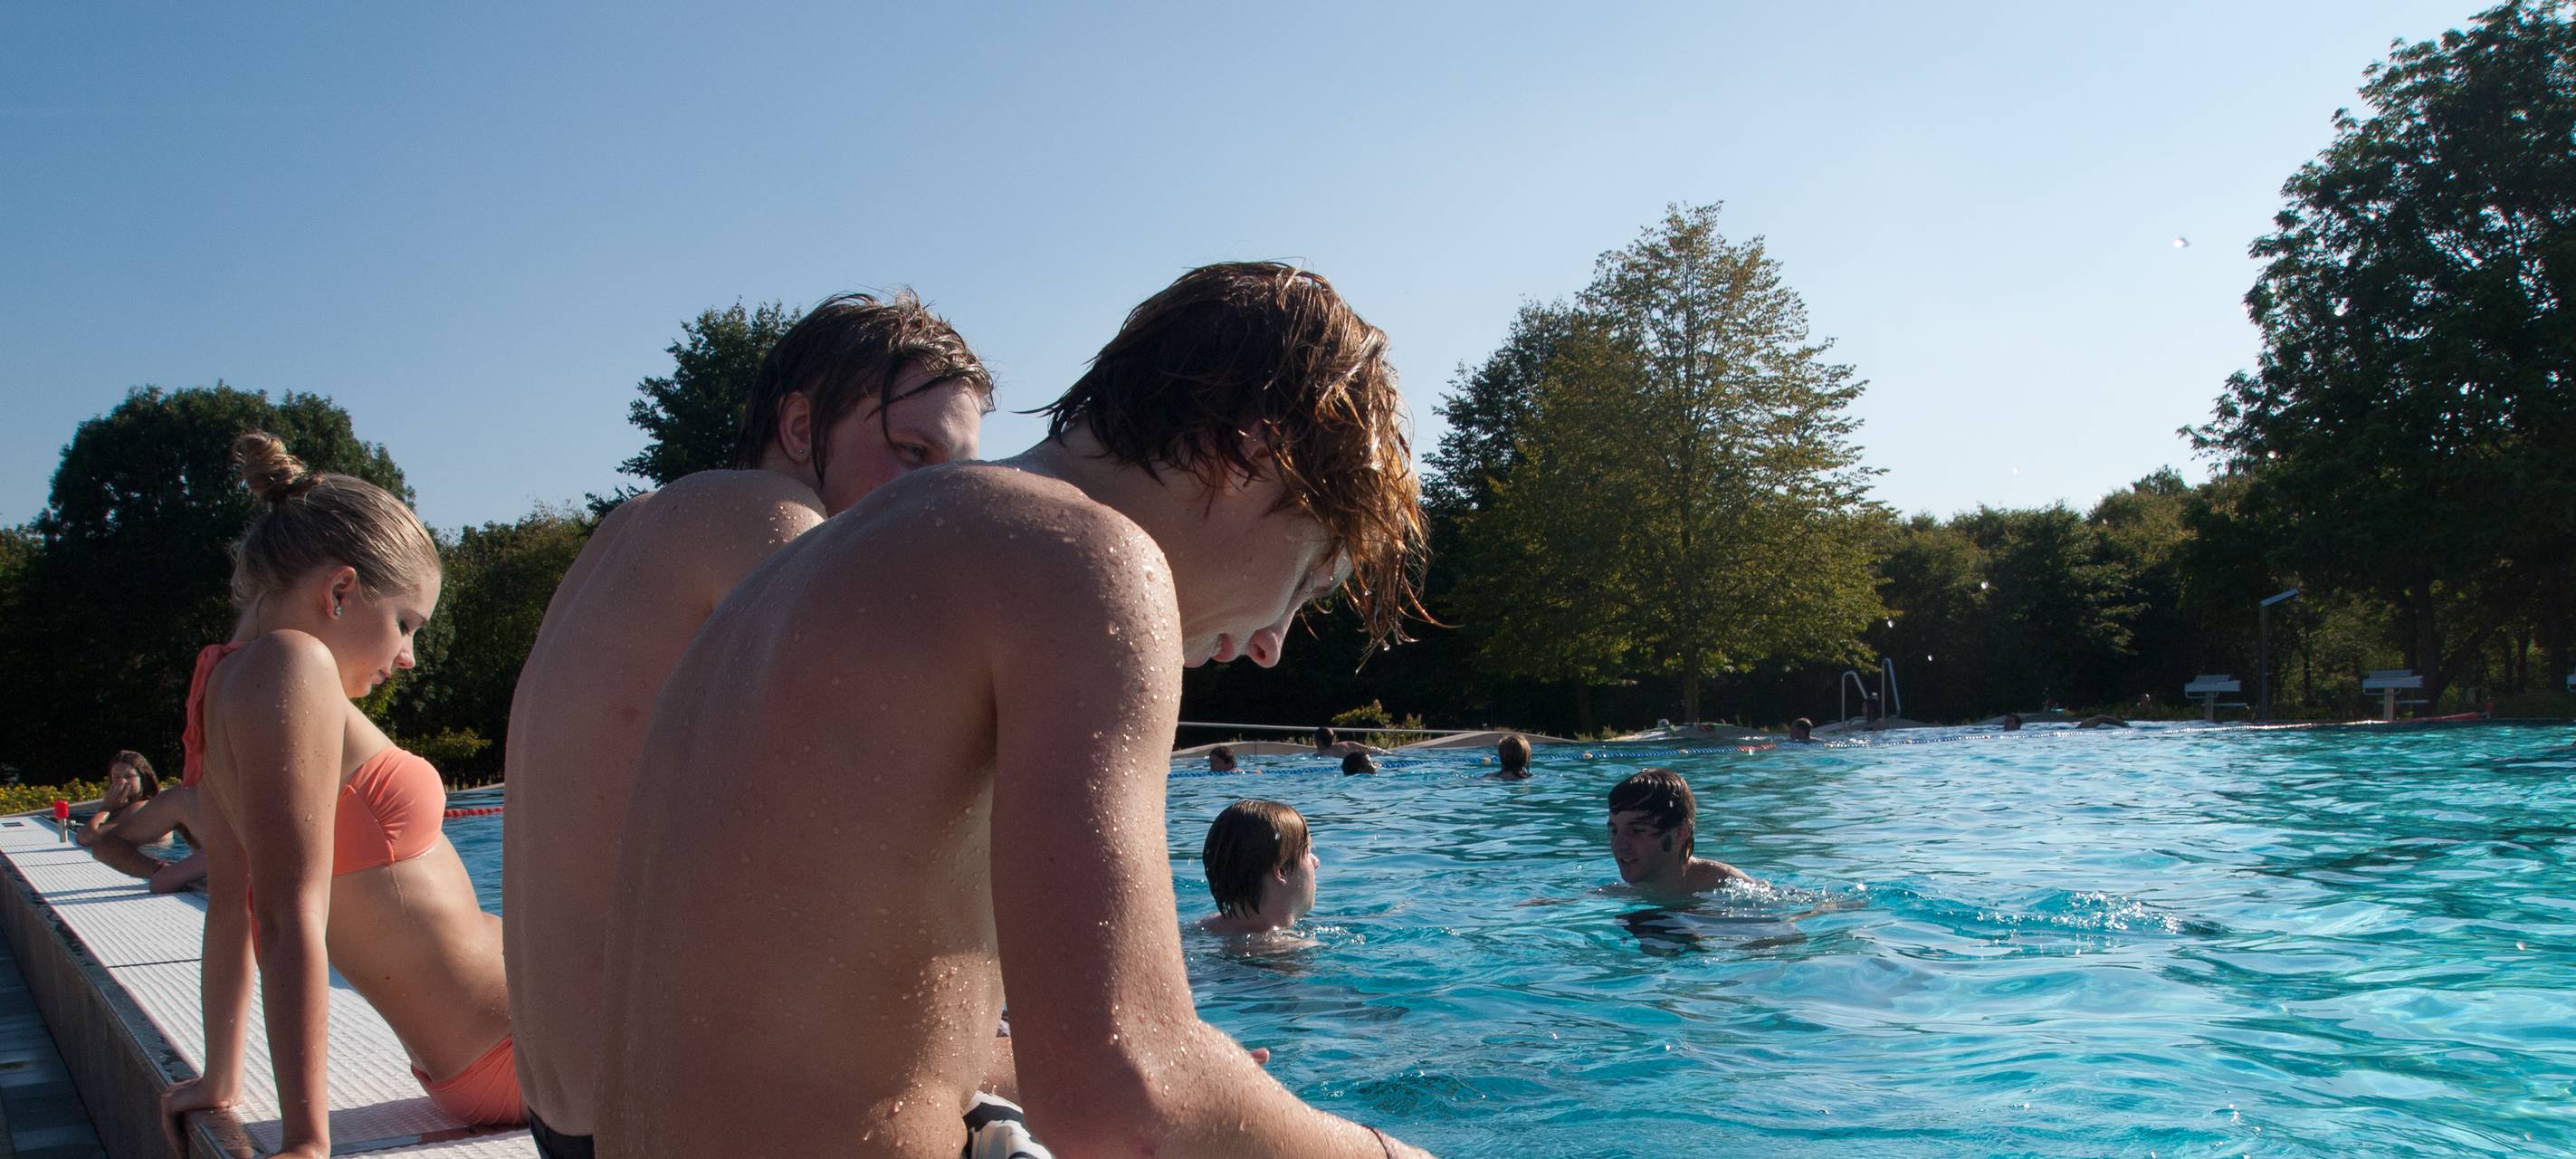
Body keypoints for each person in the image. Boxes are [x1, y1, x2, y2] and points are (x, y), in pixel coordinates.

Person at [597, 262, 1432, 1158]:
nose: (1273, 639)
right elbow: (1123, 1097)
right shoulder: (1085, 559)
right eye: (1308, 574)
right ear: (1251, 454)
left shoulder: (817, 566)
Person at [505, 292, 993, 1156]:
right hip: (667, 1126)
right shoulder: (761, 518)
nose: (938, 502)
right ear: (801, 429)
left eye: (953, 475)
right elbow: (913, 765)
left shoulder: (628, 537)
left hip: (570, 1118)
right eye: (912, 453)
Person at [159, 434, 518, 1158]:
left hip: (503, 1043)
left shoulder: (224, 681)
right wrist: (305, 1142)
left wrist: (219, 1078)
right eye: (406, 623)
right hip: (526, 1039)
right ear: (341, 590)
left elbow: (234, 906)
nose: (408, 656)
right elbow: (287, 916)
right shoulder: (294, 666)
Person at [1607, 767, 1751, 902]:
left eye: (1637, 830)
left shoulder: (1731, 889)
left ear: (1680, 833)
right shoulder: (1621, 893)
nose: (1619, 844)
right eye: (1614, 831)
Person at [81, 753, 207, 893]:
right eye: (116, 778)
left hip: (162, 852)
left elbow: (91, 838)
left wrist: (105, 809)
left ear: (143, 779)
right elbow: (100, 845)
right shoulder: (178, 800)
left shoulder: (146, 806)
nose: (122, 783)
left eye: (129, 777)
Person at [1197, 800, 1319, 940]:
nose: (1316, 862)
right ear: (1281, 871)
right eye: (1307, 850)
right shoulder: (1282, 951)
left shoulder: (1202, 928)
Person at [1312, 725, 1387, 759]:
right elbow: (1371, 750)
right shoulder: (1348, 744)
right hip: (1377, 753)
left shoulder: (1321, 754)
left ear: (1320, 742)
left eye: (1315, 740)